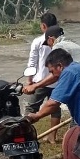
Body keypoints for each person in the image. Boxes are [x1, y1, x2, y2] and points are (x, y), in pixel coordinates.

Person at [25, 48, 80, 128]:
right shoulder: (79, 67)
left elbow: (53, 103)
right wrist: (35, 86)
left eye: (52, 71)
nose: (52, 75)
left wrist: (37, 115)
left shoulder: (69, 72)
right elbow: (55, 77)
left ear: (60, 66)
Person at [26, 12, 59, 142]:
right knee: (55, 109)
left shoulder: (38, 41)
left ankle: (27, 135)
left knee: (31, 107)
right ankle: (52, 137)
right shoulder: (60, 41)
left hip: (40, 81)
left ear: (44, 26)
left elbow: (32, 62)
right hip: (57, 81)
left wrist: (29, 80)